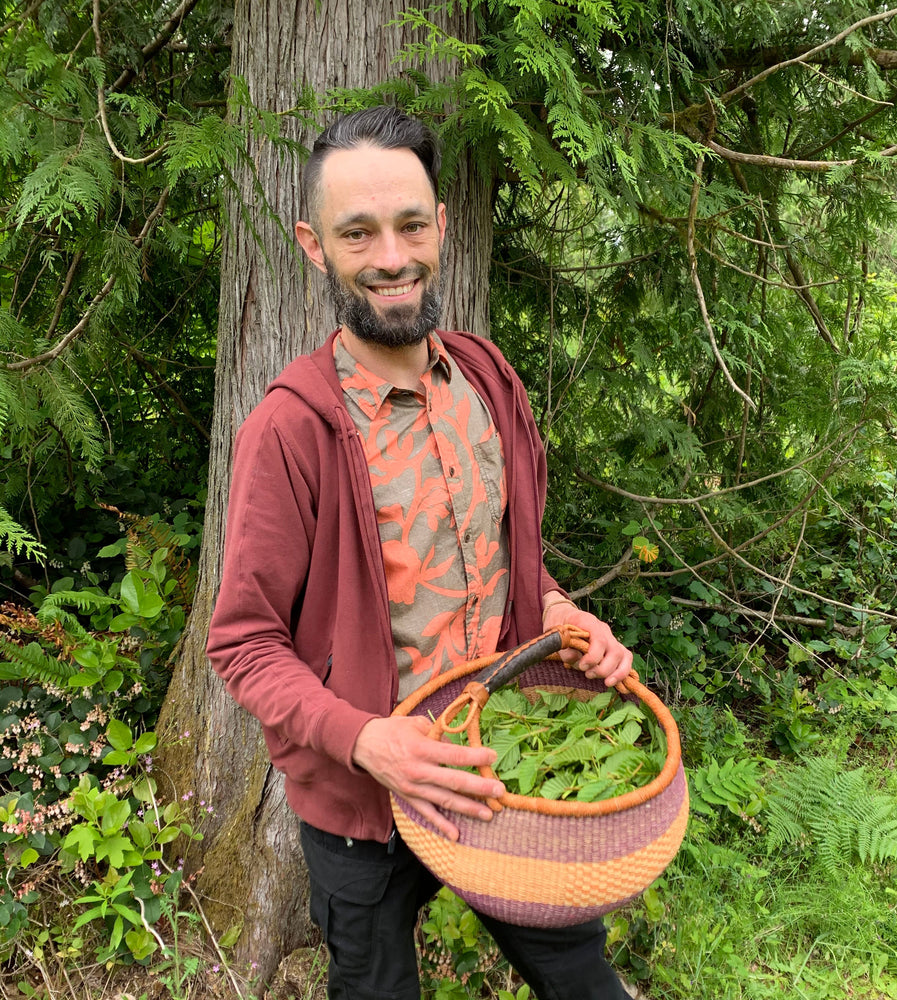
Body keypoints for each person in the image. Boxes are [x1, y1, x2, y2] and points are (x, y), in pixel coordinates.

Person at [206, 105, 634, 1000]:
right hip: (366, 809)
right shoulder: (291, 430)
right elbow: (243, 644)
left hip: (502, 770)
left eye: (410, 224)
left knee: (585, 981)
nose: (392, 257)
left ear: (443, 225)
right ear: (313, 245)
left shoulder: (486, 379)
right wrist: (369, 742)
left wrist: (560, 616)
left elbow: (509, 558)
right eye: (358, 233)